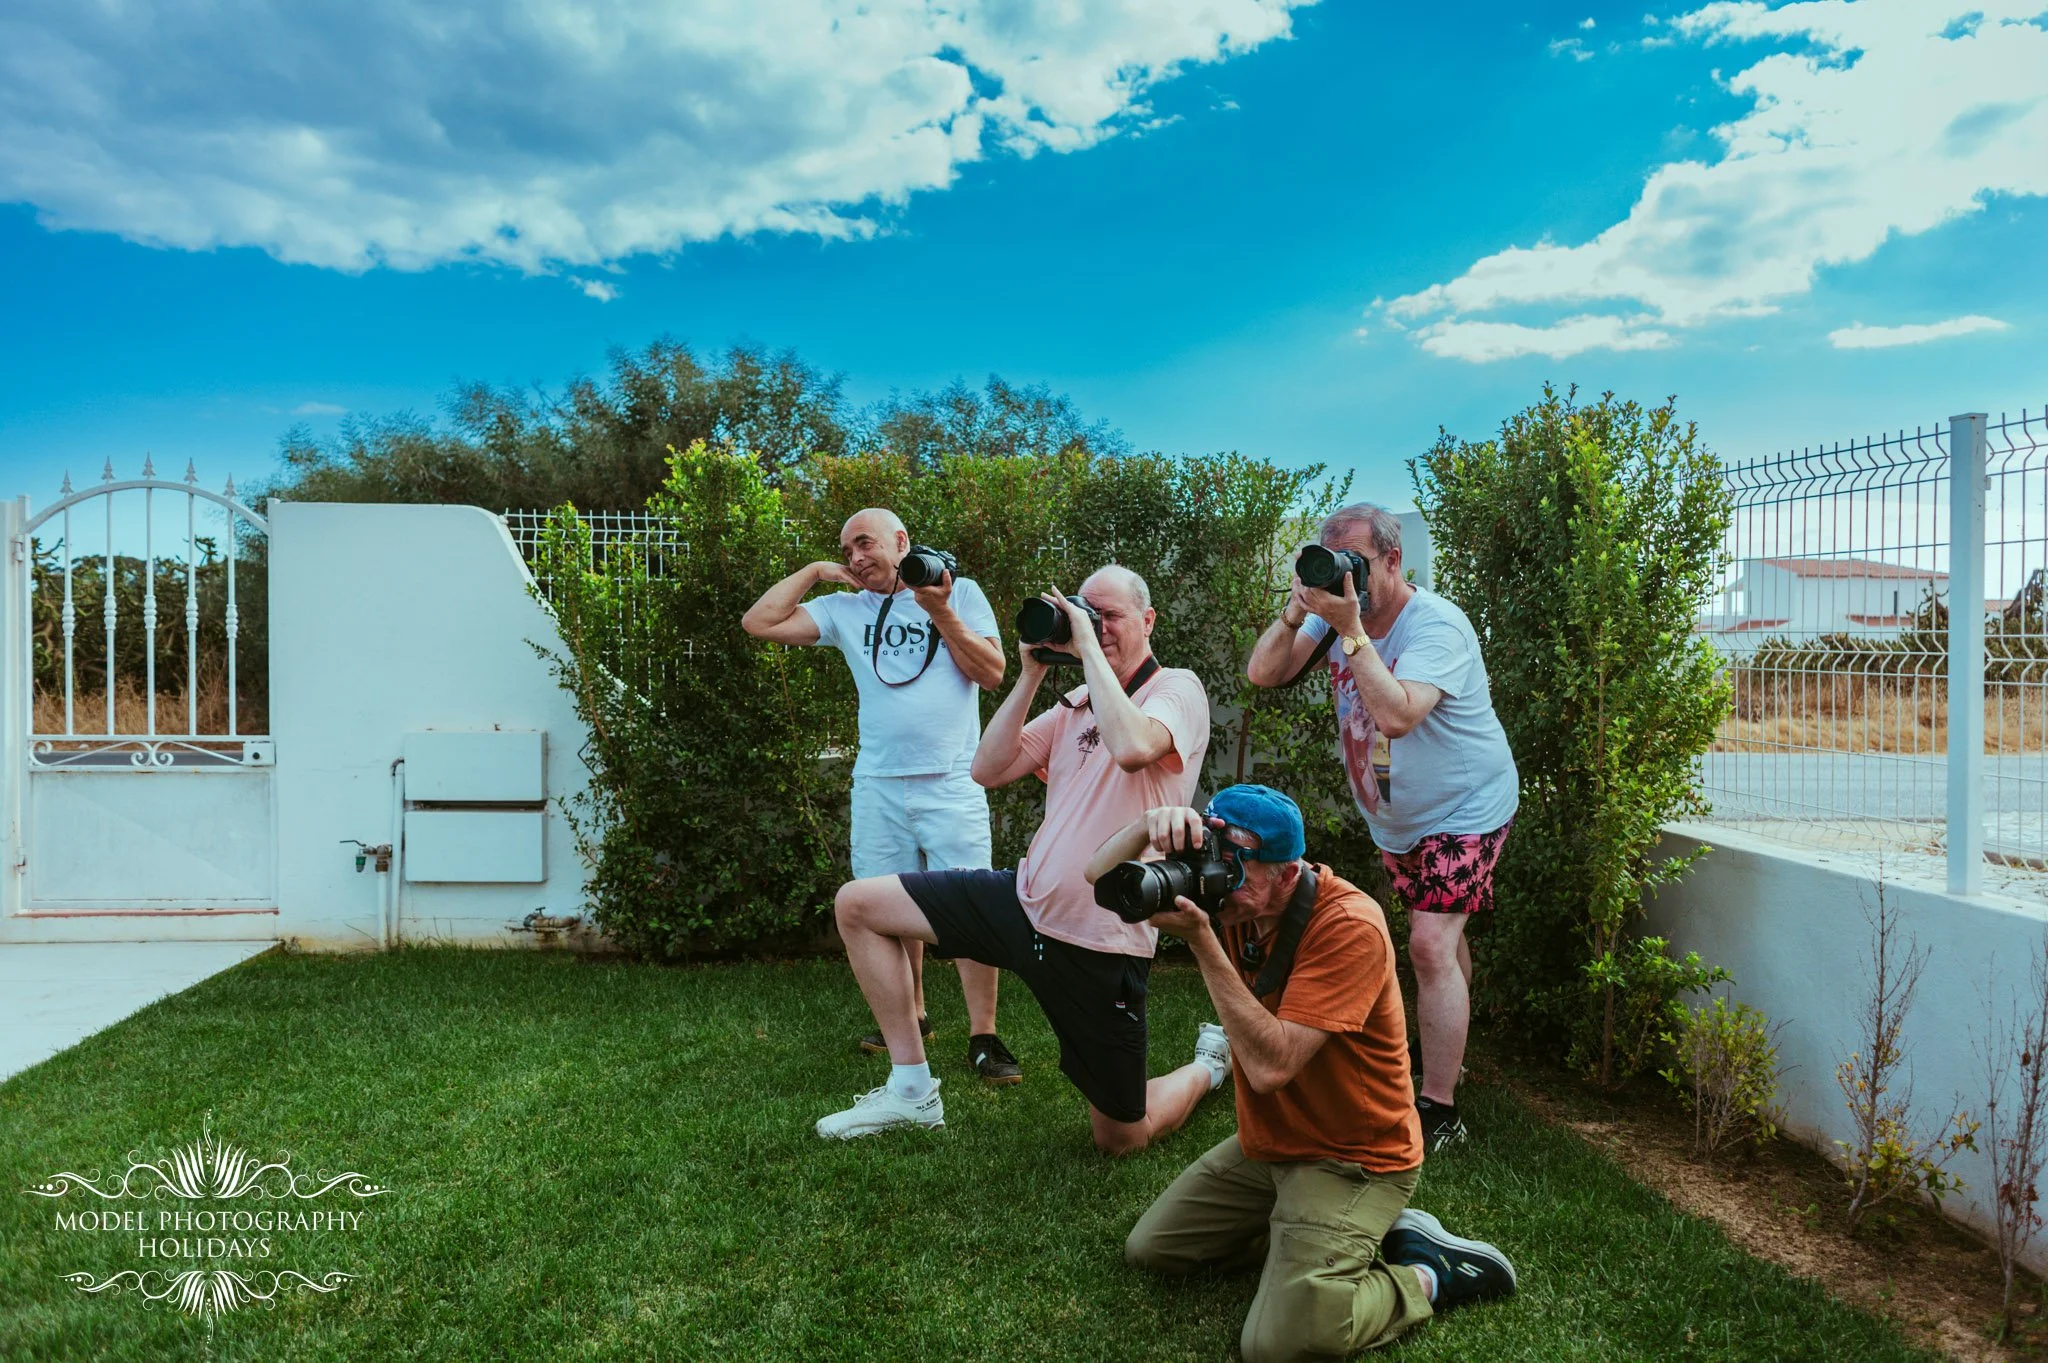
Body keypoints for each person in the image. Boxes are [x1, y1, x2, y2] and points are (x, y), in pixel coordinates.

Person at [817, 565, 1226, 1151]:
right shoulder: (1077, 700)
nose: (1097, 627)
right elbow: (987, 768)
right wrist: (1032, 674)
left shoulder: (1176, 688)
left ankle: (1209, 1066)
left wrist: (1085, 646)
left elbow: (1135, 748)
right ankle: (910, 1090)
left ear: (1148, 620)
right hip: (1022, 903)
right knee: (858, 904)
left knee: (1121, 1137)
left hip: (1099, 938)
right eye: (1088, 613)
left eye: (1109, 616)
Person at [1113, 785, 1517, 1363]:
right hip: (1273, 1145)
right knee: (1153, 1251)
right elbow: (1092, 878)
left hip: (1355, 1157)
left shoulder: (1349, 924)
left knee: (1278, 1346)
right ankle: (1313, 1247)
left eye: (1238, 874)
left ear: (1287, 873)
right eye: (1216, 867)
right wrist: (1145, 826)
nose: (1219, 887)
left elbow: (1271, 1066)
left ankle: (1427, 1273)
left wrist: (1203, 941)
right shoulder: (1229, 899)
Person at [1244, 503, 1518, 1151]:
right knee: (1441, 939)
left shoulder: (1437, 626)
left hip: (1467, 806)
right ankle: (1450, 1048)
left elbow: (1396, 715)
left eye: (1356, 564)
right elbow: (1264, 673)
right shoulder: (1332, 613)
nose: (1345, 578)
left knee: (1426, 943)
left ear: (1394, 560)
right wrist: (1296, 611)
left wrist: (1351, 631)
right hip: (1399, 821)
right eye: (1330, 562)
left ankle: (1439, 1105)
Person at [742, 508, 1021, 1085]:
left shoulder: (959, 592)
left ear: (901, 541)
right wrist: (817, 572)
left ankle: (984, 1035)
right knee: (885, 908)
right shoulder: (844, 609)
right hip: (879, 784)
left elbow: (992, 673)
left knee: (973, 906)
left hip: (952, 781)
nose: (855, 558)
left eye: (863, 544)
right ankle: (912, 1020)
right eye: (845, 550)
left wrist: (939, 610)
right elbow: (759, 622)